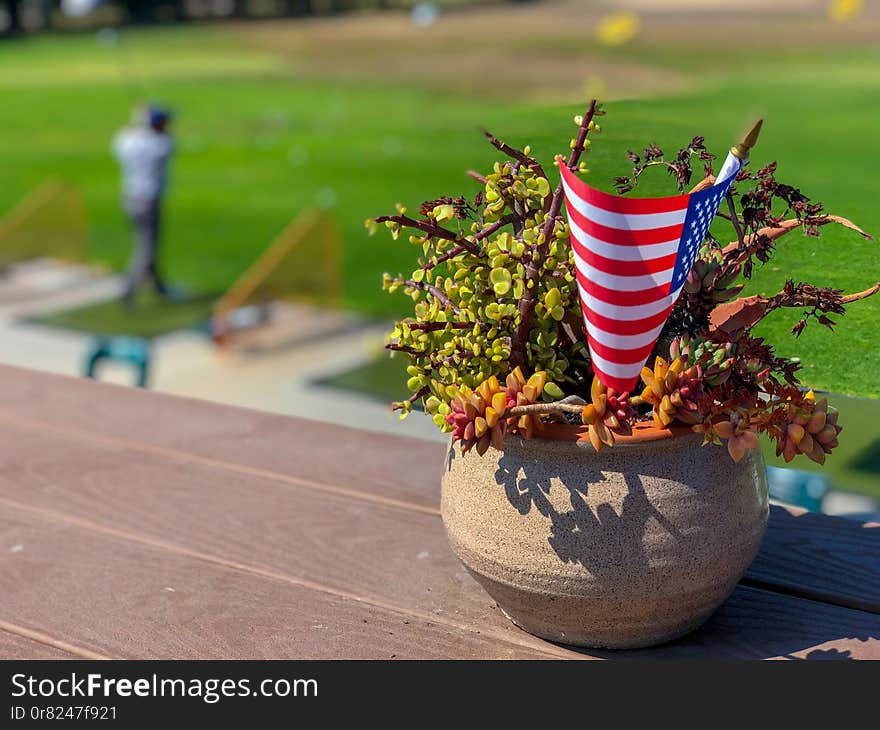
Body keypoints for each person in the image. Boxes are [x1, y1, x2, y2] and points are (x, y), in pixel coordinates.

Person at [112, 104, 174, 306]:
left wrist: (139, 116)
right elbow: (165, 136)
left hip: (130, 198)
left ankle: (158, 284)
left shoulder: (128, 142)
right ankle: (128, 288)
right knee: (147, 247)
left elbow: (125, 135)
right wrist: (145, 118)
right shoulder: (162, 145)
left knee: (147, 241)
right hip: (149, 201)